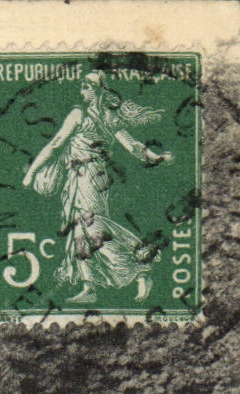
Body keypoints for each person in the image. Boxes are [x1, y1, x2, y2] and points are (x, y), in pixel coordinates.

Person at [22, 70, 171, 304]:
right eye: (82, 85)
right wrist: (32, 172)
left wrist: (156, 156)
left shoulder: (102, 117)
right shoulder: (78, 113)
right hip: (76, 178)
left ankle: (142, 266)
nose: (84, 89)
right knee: (79, 230)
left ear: (101, 89)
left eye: (89, 85)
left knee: (92, 227)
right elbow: (56, 144)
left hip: (92, 178)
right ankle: (89, 286)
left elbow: (131, 145)